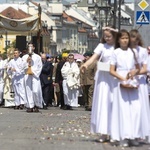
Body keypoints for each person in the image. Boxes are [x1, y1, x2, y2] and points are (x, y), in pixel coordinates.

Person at [80, 26, 118, 142]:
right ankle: (103, 132)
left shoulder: (119, 47)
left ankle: (114, 132)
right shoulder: (102, 46)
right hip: (104, 78)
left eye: (109, 36)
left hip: (115, 77)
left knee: (114, 103)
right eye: (105, 36)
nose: (106, 38)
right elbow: (94, 58)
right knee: (103, 103)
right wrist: (85, 65)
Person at [110, 29, 141, 147]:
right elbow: (111, 70)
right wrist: (122, 78)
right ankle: (123, 136)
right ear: (118, 40)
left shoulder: (133, 52)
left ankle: (133, 135)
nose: (125, 40)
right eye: (122, 38)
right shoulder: (116, 52)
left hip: (131, 80)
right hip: (120, 81)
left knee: (135, 109)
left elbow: (138, 67)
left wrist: (134, 72)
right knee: (123, 111)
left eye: (126, 38)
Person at [130, 29, 150, 143]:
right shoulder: (125, 51)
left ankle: (139, 132)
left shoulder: (142, 51)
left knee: (140, 108)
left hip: (140, 83)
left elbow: (145, 68)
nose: (135, 43)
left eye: (136, 41)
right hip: (128, 81)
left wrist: (136, 72)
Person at [22, 43, 43, 112]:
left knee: (35, 91)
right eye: (29, 47)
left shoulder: (38, 57)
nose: (30, 48)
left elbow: (40, 67)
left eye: (31, 46)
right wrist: (26, 62)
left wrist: (35, 72)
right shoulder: (24, 57)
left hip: (35, 76)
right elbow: (22, 67)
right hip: (27, 75)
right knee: (28, 91)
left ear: (33, 48)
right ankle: (30, 106)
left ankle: (37, 104)